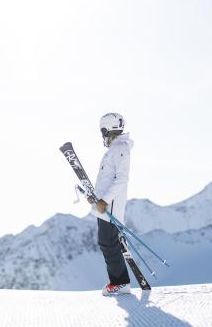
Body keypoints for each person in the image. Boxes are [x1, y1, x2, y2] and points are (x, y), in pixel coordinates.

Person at [88, 112, 134, 296]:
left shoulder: (120, 149)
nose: (103, 136)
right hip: (105, 204)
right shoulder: (115, 149)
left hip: (110, 205)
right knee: (106, 242)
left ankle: (121, 283)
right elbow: (107, 180)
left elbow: (122, 179)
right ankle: (118, 281)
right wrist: (96, 198)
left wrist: (105, 200)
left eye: (103, 131)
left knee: (107, 243)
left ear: (108, 129)